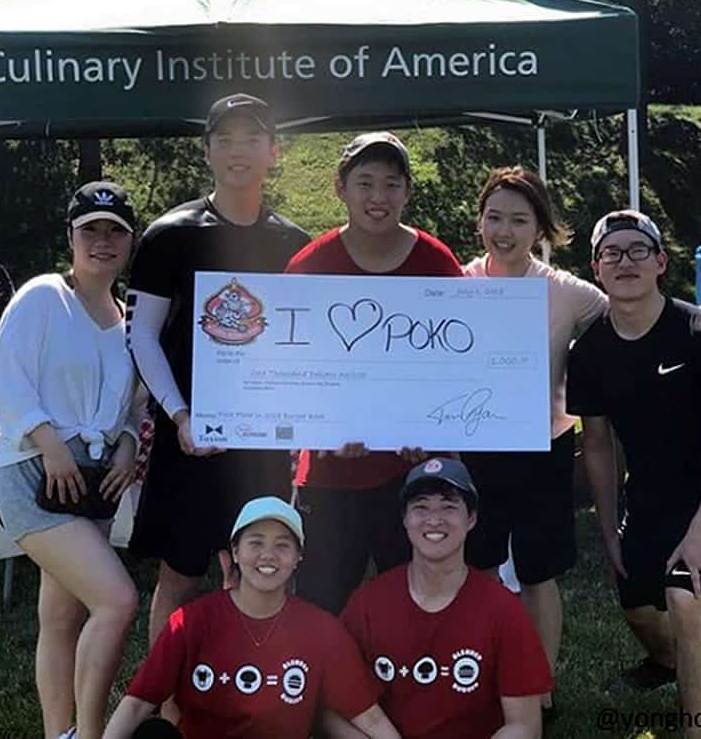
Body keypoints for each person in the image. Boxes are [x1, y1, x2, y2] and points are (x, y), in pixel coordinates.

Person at [462, 167, 701, 723]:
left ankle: (539, 691)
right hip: (474, 451)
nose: (505, 229)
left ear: (540, 227)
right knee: (479, 571)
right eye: (495, 217)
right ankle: (483, 683)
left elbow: (638, 303)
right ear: (480, 223)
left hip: (543, 449)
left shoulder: (570, 293)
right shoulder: (453, 280)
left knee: (540, 574)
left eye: (520, 219)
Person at [126, 94, 310, 651]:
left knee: (261, 568)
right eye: (225, 139)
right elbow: (141, 336)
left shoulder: (294, 244)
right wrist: (180, 415)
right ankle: (164, 696)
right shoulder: (168, 236)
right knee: (180, 575)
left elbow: (304, 348)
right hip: (192, 441)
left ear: (273, 152)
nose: (239, 151)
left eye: (252, 139)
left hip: (262, 446)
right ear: (206, 151)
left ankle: (254, 687)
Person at [567, 209, 701, 739]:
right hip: (645, 501)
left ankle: (699, 730)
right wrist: (608, 534)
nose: (625, 261)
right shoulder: (590, 353)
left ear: (661, 262)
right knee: (639, 610)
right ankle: (670, 662)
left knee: (686, 595)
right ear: (596, 269)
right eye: (612, 253)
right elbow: (597, 447)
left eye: (638, 250)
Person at [285, 132, 462, 616]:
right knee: (321, 602)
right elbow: (290, 370)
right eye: (365, 183)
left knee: (414, 600)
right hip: (329, 475)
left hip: (411, 475)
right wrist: (323, 432)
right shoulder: (310, 265)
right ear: (341, 189)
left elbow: (458, 364)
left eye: (390, 183)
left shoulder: (436, 262)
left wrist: (429, 428)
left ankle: (411, 690)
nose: (378, 198)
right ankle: (324, 689)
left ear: (407, 191)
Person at [0, 182, 141, 739]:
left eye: (115, 230)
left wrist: (128, 442)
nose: (102, 241)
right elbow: (5, 378)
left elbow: (131, 405)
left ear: (131, 241)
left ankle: (59, 734)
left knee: (61, 616)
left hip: (96, 481)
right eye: (90, 229)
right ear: (71, 237)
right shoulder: (42, 296)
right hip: (37, 473)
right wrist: (50, 444)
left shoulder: (128, 321)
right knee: (118, 600)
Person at [104, 497, 400, 739]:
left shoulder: (321, 630)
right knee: (151, 734)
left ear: (299, 557)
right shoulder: (191, 621)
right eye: (255, 543)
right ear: (235, 551)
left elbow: (370, 718)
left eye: (282, 545)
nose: (268, 555)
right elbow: (136, 705)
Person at [333, 458, 551, 739]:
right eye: (420, 507)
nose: (434, 519)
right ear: (404, 519)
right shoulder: (367, 605)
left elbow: (524, 725)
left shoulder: (503, 610)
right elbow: (333, 709)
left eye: (449, 506)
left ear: (471, 519)